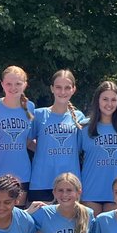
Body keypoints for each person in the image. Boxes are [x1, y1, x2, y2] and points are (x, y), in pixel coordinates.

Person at [26, 69, 86, 204]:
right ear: (52, 88)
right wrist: (44, 150)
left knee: (67, 224)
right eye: (58, 87)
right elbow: (28, 142)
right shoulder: (39, 115)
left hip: (70, 183)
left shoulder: (79, 117)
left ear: (73, 89)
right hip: (42, 181)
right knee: (40, 224)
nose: (62, 92)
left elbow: (81, 148)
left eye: (67, 88)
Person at [0, 66, 35, 206]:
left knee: (16, 218)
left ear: (25, 84)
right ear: (2, 84)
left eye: (18, 83)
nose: (13, 87)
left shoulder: (30, 107)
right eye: (9, 84)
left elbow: (29, 141)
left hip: (20, 173)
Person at [78, 80, 117, 213]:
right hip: (90, 190)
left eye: (113, 100)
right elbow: (73, 157)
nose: (109, 104)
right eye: (105, 99)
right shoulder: (84, 127)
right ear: (97, 100)